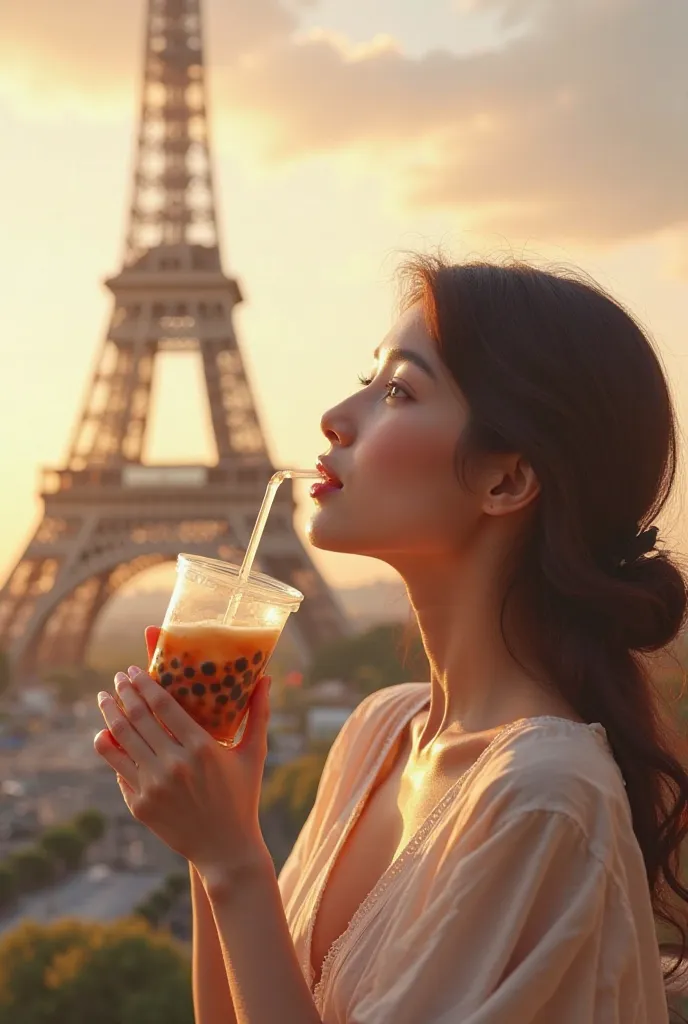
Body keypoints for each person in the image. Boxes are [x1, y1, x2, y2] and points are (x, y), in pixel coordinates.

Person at [94, 255, 688, 1024]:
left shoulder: (544, 798)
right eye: (366, 379)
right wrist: (215, 844)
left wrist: (236, 863)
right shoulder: (379, 733)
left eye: (399, 390)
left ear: (506, 480)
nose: (336, 415)